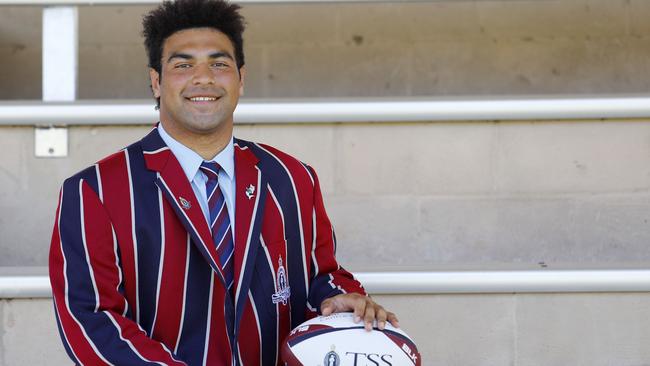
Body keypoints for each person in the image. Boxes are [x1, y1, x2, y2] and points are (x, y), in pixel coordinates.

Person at [48, 0, 398, 364]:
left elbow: (321, 276)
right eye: (183, 65)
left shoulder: (293, 178)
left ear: (241, 79)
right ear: (156, 81)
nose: (204, 77)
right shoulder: (95, 191)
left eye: (219, 63)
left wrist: (343, 300)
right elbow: (90, 317)